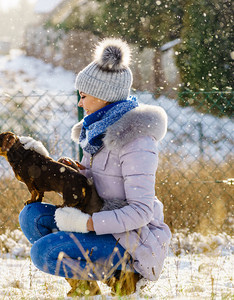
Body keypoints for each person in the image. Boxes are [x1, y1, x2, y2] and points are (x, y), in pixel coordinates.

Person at [18, 38, 171, 296]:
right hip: (100, 217)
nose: (80, 103)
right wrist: (78, 174)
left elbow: (142, 211)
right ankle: (86, 289)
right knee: (31, 216)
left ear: (103, 96)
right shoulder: (97, 132)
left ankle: (125, 277)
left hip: (132, 240)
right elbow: (103, 183)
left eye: (84, 96)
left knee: (44, 253)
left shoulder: (136, 141)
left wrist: (87, 224)